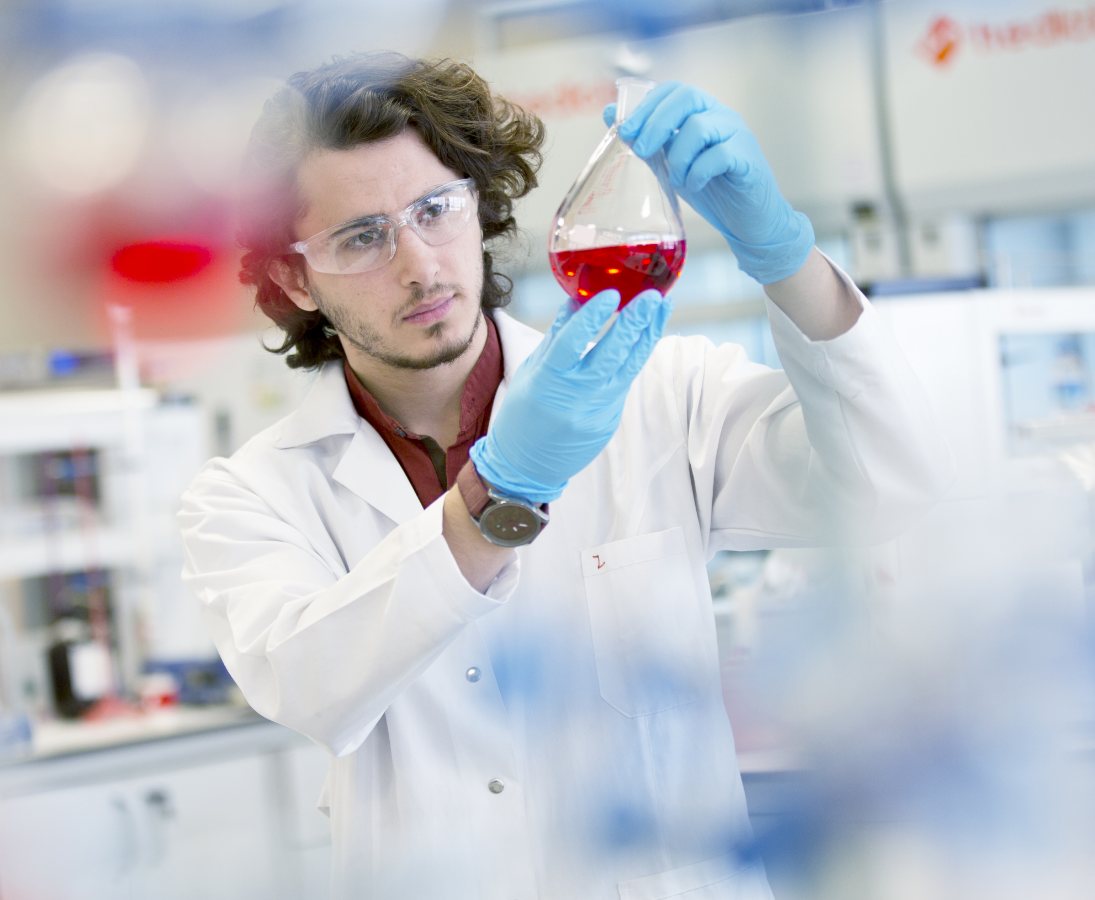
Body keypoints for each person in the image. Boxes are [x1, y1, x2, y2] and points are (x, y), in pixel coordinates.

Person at [178, 53, 951, 900]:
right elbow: (309, 683)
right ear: (294, 275)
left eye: (436, 210)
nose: (420, 265)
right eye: (362, 237)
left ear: (479, 209)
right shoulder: (253, 496)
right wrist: (497, 498)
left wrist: (783, 255)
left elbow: (888, 482)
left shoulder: (662, 396)